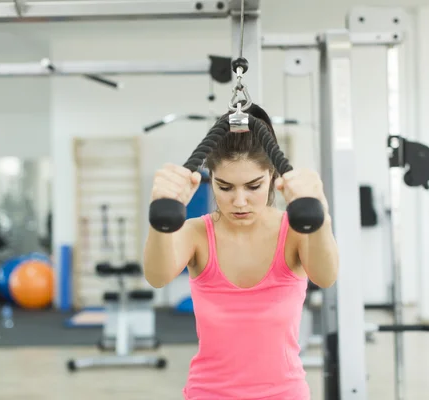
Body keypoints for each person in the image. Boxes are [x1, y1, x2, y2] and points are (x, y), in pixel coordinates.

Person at [143, 104, 339, 400]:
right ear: (211, 179)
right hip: (209, 393)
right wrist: (161, 214)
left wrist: (320, 213)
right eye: (225, 187)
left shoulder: (295, 231)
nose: (239, 201)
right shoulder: (197, 233)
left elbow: (326, 277)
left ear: (272, 175)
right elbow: (157, 277)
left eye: (253, 186)